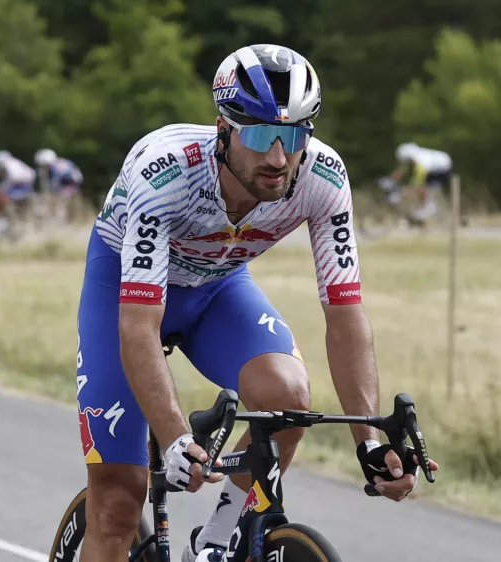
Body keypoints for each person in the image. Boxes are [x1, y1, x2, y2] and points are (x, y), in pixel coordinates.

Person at [74, 44, 438, 562]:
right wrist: (176, 439)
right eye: (262, 134)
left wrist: (370, 439)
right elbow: (137, 328)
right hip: (124, 292)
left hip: (218, 288)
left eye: (293, 136)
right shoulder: (166, 171)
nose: (278, 157)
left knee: (287, 396)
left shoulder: (323, 178)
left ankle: (218, 540)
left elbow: (345, 315)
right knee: (115, 502)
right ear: (223, 129)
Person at [384, 141, 452, 225]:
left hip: (441, 170)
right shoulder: (417, 156)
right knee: (420, 188)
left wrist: (401, 192)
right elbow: (403, 169)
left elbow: (418, 184)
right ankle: (425, 209)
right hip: (440, 167)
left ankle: (425, 210)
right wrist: (391, 180)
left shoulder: (421, 162)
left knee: (421, 188)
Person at [34, 148, 83, 219]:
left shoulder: (56, 168)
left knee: (58, 202)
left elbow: (55, 184)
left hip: (70, 184)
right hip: (72, 183)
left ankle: (59, 219)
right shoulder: (61, 162)